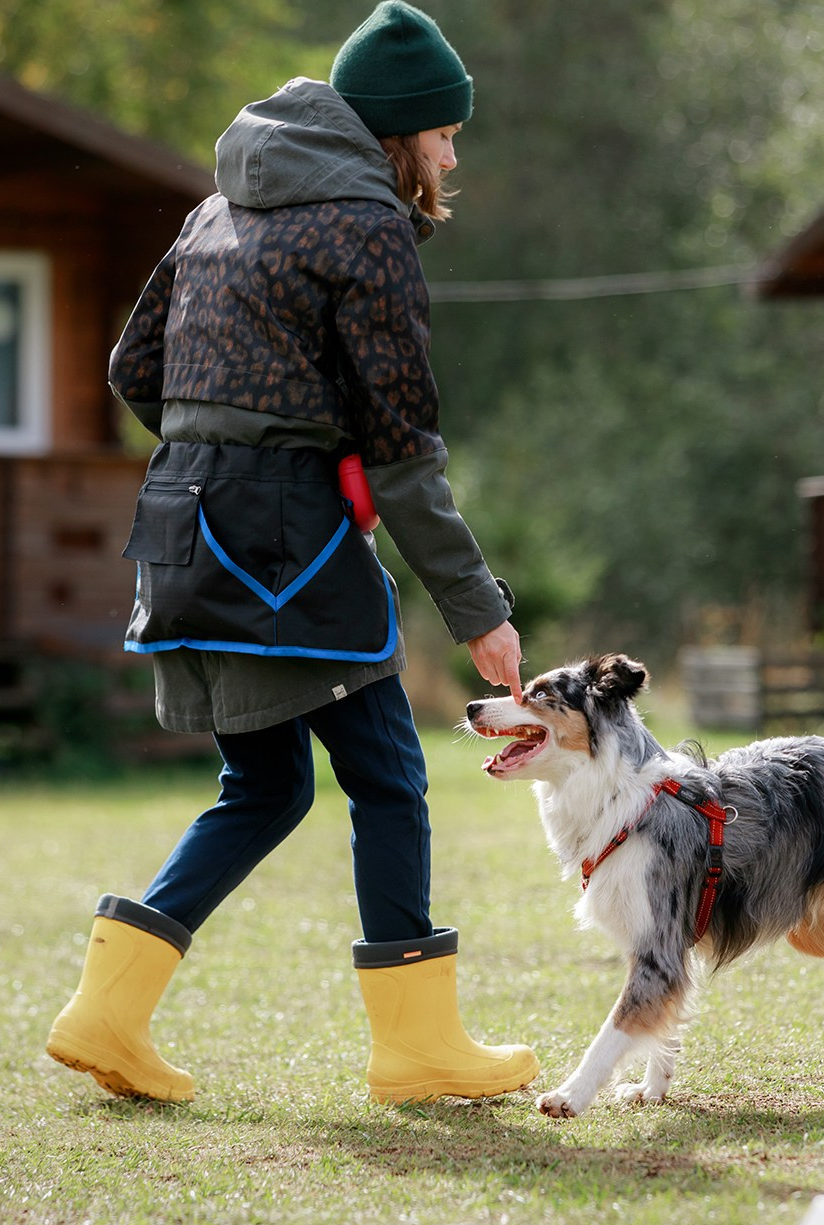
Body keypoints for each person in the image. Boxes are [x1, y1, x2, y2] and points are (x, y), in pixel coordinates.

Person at [45, 1, 537, 1105]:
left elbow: (134, 368)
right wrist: (477, 610)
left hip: (179, 520)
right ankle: (415, 1048)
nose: (452, 153)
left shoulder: (212, 209)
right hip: (283, 539)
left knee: (263, 784)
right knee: (386, 772)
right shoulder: (365, 229)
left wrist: (225, 445)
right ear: (397, 134)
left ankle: (106, 1011)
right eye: (444, 134)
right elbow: (404, 452)